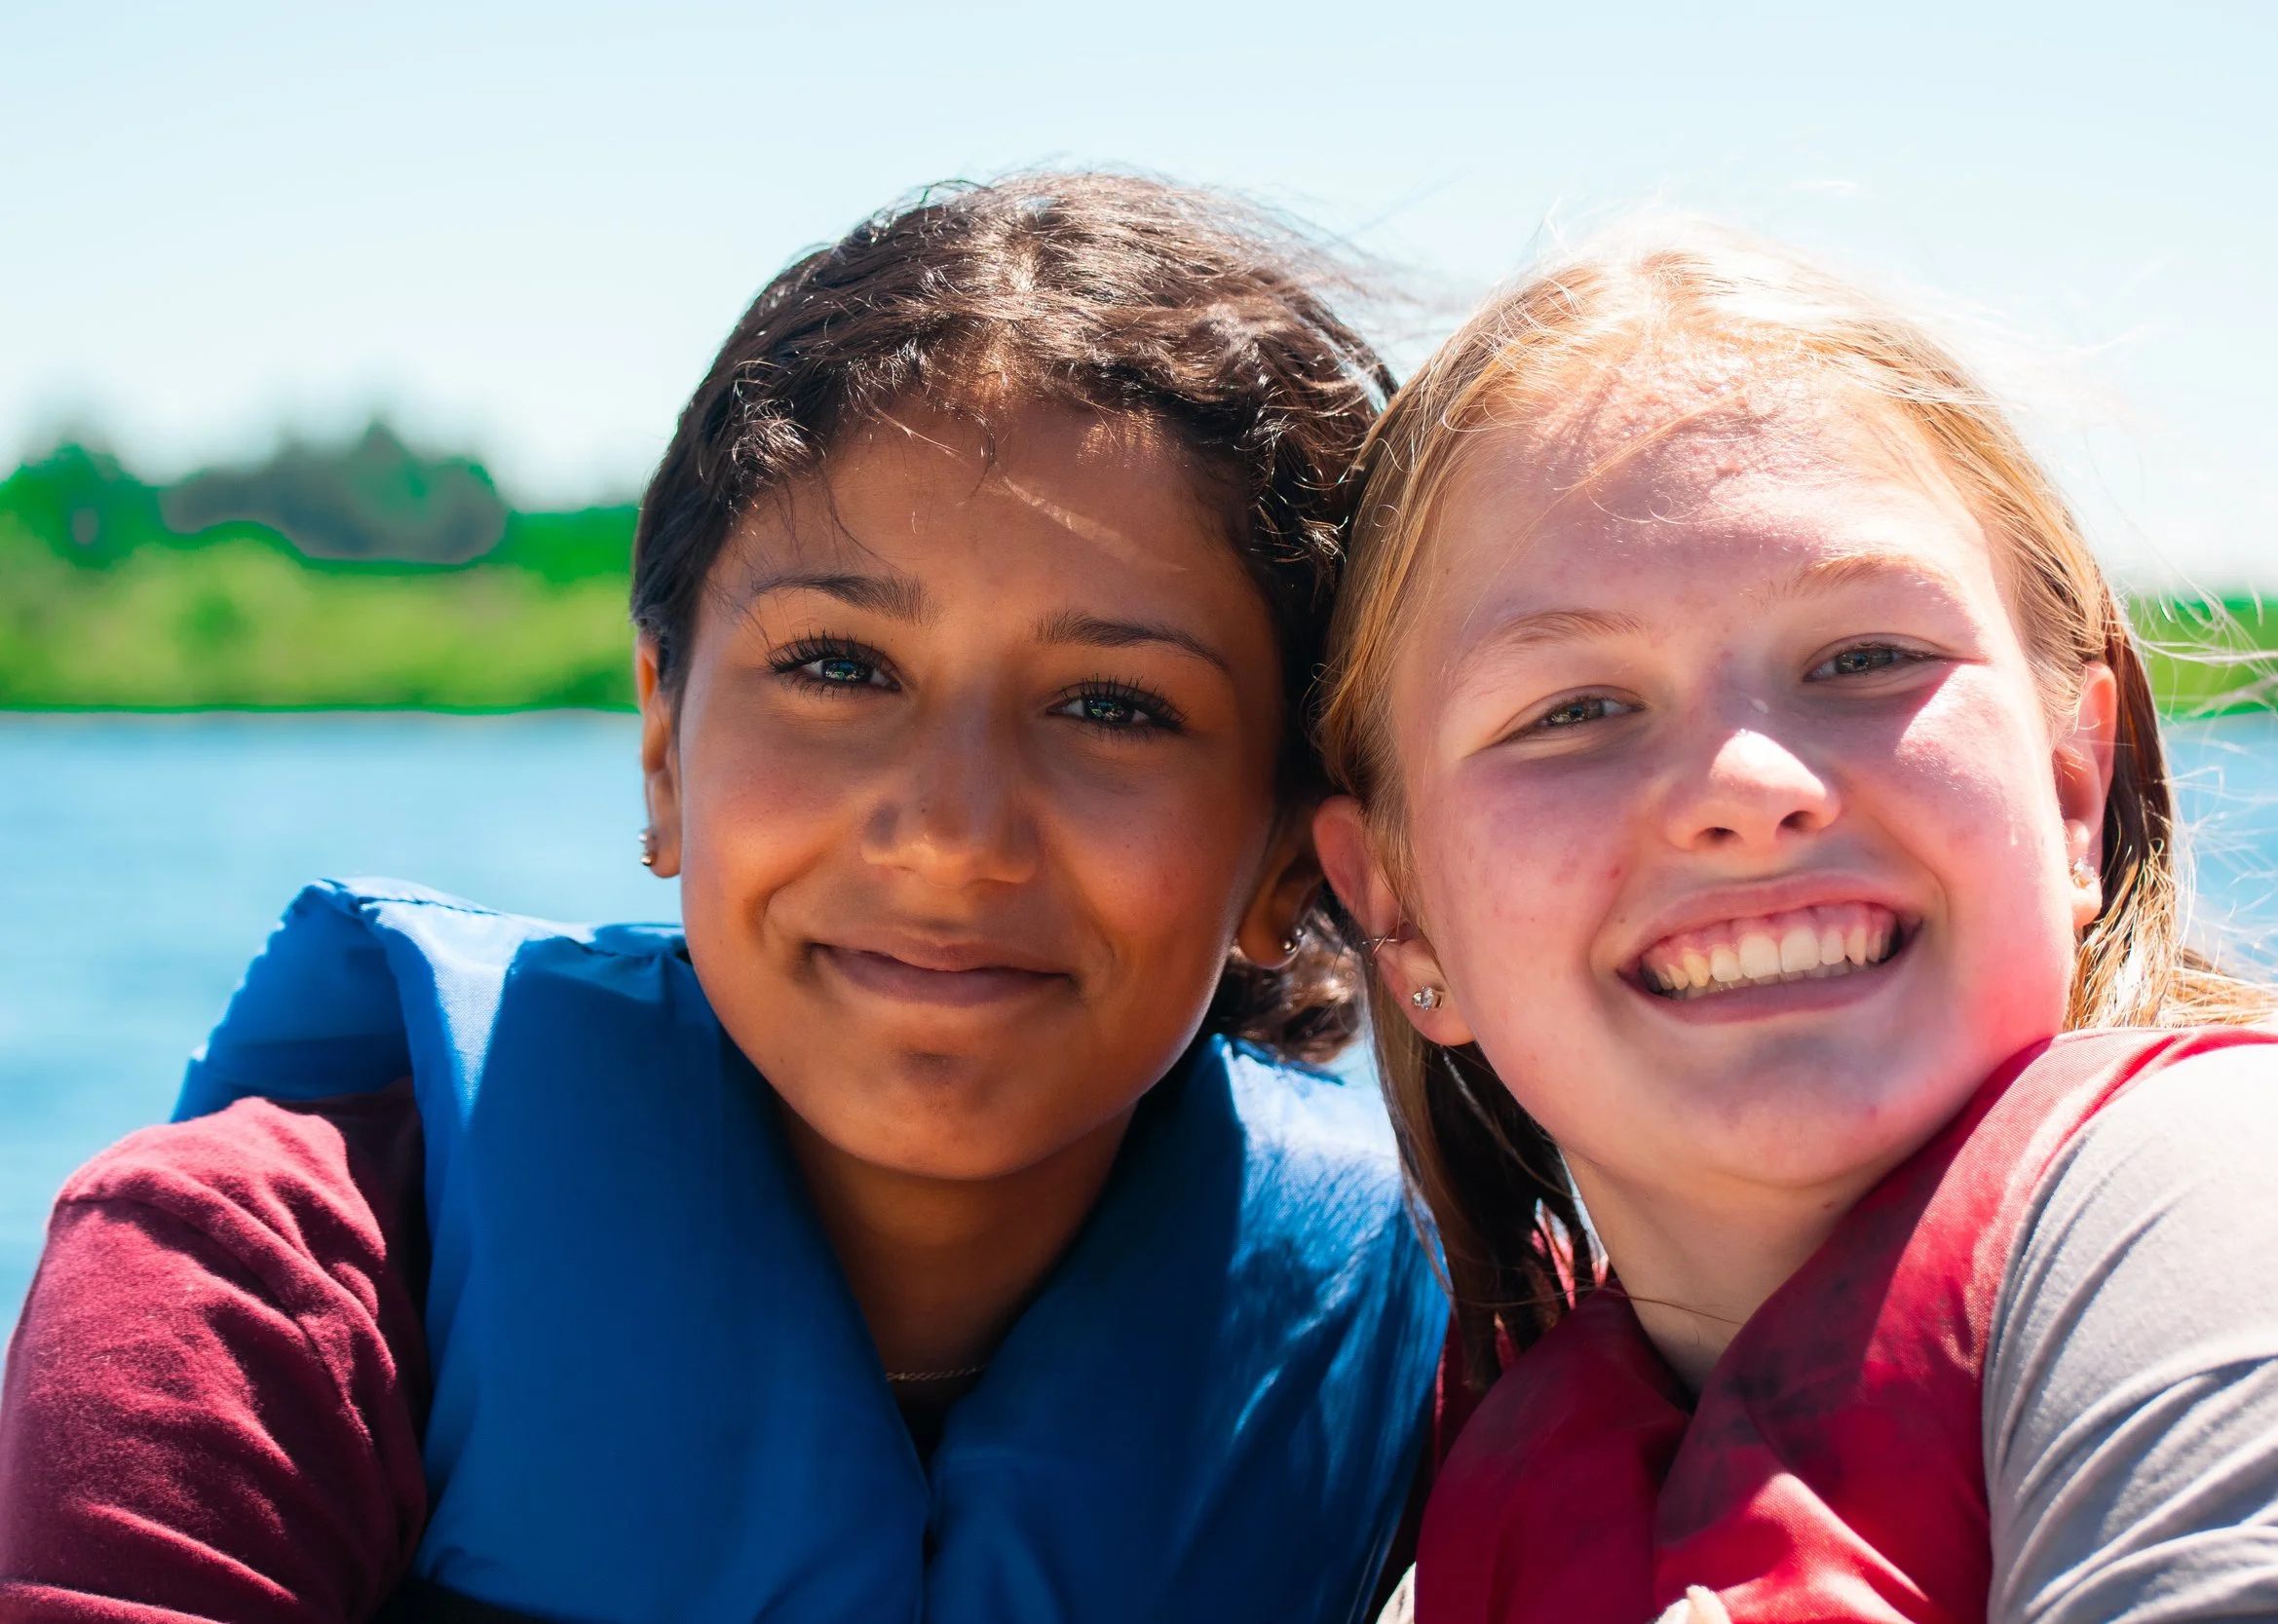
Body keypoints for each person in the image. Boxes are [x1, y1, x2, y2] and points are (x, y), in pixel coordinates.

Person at [0, 173, 1447, 1624]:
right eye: (837, 667)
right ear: (661, 745)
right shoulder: (250, 1300)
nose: (951, 835)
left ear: (1285, 856)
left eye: (1115, 705)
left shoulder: (1456, 1350)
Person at [1312, 224, 2278, 1621]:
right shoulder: (1447, 1532)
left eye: (1866, 657)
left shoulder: (2263, 1211)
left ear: (2074, 784)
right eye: (1576, 710)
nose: (1745, 788)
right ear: (1400, 912)